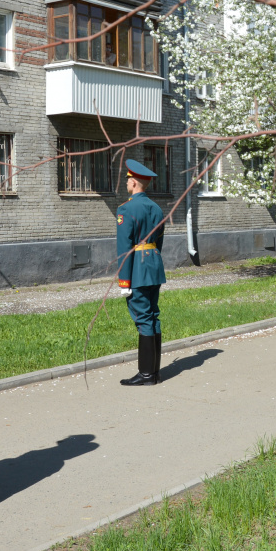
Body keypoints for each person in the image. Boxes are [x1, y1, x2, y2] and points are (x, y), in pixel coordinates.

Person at [116, 159, 167, 386]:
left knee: (143, 318)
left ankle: (146, 374)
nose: (126, 183)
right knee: (153, 316)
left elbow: (124, 247)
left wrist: (123, 280)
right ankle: (154, 372)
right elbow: (160, 242)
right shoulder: (157, 208)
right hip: (154, 265)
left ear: (134, 183)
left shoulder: (126, 209)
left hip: (136, 268)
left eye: (128, 180)